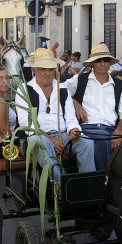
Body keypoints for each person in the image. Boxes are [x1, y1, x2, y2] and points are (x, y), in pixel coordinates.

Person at [15, 48, 95, 180]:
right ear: (34, 70)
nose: (48, 73)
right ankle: (59, 187)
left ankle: (85, 185)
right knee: (41, 143)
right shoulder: (24, 90)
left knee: (87, 142)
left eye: (51, 69)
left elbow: (70, 118)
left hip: (62, 135)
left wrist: (74, 130)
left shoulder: (62, 88)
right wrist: (52, 140)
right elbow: (27, 125)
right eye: (43, 69)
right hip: (38, 136)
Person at [63, 43, 122, 171]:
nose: (102, 63)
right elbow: (60, 91)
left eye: (106, 60)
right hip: (87, 129)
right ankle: (102, 180)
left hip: (112, 130)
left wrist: (118, 132)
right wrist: (75, 103)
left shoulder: (120, 85)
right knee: (102, 138)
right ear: (92, 63)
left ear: (110, 63)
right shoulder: (79, 79)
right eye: (98, 60)